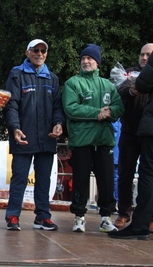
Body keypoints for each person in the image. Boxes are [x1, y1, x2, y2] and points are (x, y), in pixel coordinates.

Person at [3, 39, 65, 231]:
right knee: (19, 178)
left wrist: (58, 124)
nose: (39, 54)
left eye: (43, 51)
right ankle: (13, 215)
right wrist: (14, 127)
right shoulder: (17, 74)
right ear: (27, 53)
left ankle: (42, 217)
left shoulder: (52, 78)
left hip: (47, 138)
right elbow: (11, 104)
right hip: (23, 136)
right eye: (35, 50)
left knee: (44, 179)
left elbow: (57, 107)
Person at [62, 44, 124, 233]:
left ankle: (106, 218)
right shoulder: (73, 83)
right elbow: (71, 108)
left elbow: (119, 107)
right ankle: (79, 217)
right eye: (83, 59)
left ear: (97, 62)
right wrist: (97, 113)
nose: (86, 61)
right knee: (80, 180)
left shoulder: (108, 85)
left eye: (90, 58)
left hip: (104, 141)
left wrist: (110, 112)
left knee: (106, 181)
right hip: (81, 141)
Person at [108, 51, 153, 240]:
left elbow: (143, 83)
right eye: (142, 54)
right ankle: (125, 213)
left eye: (149, 55)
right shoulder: (126, 74)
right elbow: (121, 94)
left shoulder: (140, 76)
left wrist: (138, 86)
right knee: (126, 173)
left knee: (148, 175)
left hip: (148, 131)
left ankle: (142, 223)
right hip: (131, 131)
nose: (145, 58)